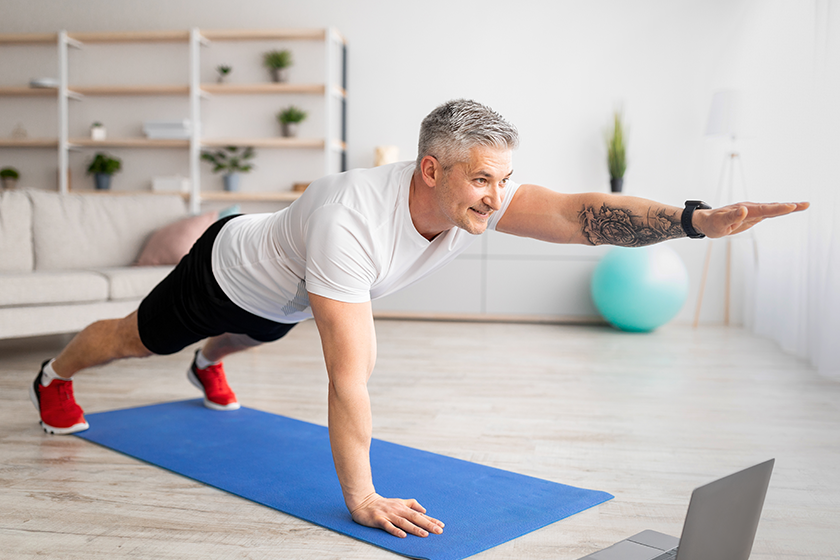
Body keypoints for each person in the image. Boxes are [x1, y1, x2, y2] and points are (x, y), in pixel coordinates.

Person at [29, 99, 808, 539]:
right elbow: (350, 377)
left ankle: (211, 362)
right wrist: (361, 495)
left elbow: (580, 215)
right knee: (137, 339)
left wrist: (694, 220)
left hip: (288, 291)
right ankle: (53, 373)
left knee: (262, 331)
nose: (496, 199)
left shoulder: (473, 194)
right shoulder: (351, 224)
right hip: (226, 271)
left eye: (503, 181)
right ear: (431, 170)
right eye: (481, 181)